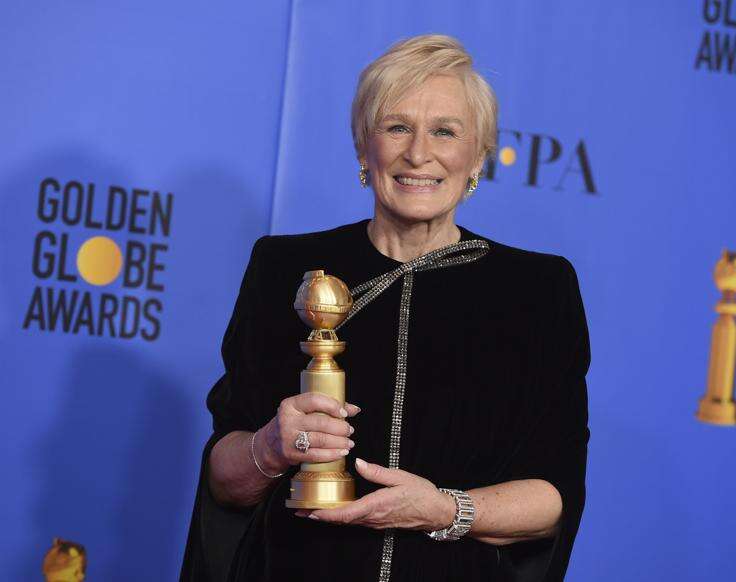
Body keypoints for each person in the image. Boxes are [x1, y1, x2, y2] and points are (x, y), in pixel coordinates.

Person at [181, 34, 589, 582]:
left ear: (478, 156)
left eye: (445, 131)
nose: (418, 153)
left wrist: (442, 510)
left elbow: (554, 497)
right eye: (396, 127)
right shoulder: (284, 268)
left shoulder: (537, 289)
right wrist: (271, 446)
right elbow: (224, 478)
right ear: (362, 148)